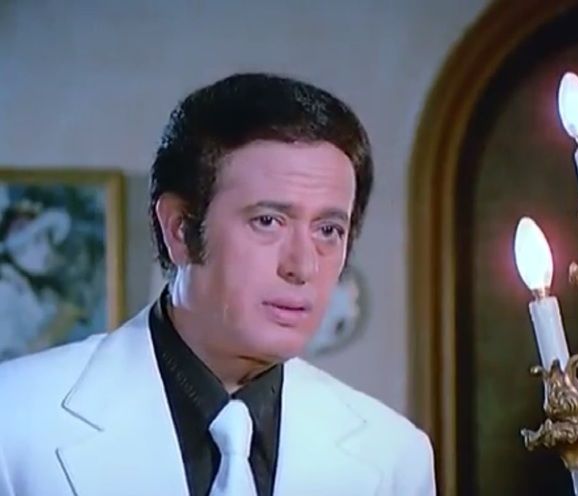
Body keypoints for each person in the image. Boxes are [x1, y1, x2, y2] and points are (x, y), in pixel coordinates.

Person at [0, 73, 436, 496]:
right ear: (179, 229)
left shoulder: (393, 458)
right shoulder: (15, 422)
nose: (302, 266)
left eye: (328, 230)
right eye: (268, 221)